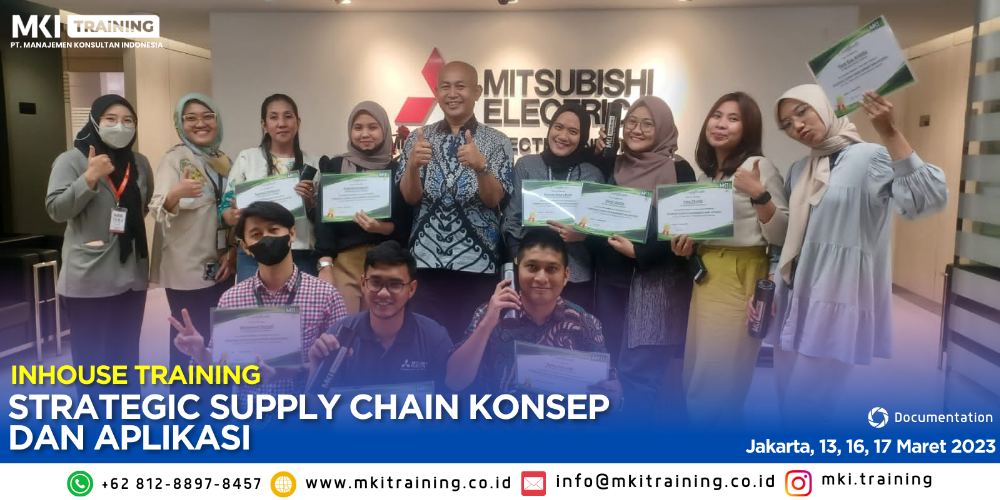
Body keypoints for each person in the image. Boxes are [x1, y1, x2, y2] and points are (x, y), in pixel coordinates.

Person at [759, 85, 947, 426]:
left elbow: (927, 200)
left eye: (802, 112)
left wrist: (890, 131)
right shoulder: (800, 169)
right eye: (786, 124)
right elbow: (787, 236)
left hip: (837, 298)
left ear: (826, 107)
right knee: (787, 402)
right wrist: (773, 277)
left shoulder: (871, 157)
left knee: (808, 408)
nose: (797, 126)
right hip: (792, 298)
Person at [668, 92, 789, 427]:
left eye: (733, 119)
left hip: (740, 273)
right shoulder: (708, 175)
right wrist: (688, 246)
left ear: (748, 129)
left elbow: (783, 233)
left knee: (718, 382)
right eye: (717, 115)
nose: (721, 124)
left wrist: (759, 193)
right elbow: (706, 233)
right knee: (696, 371)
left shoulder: (758, 167)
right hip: (707, 275)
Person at [171, 201, 348, 403]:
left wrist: (293, 371)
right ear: (245, 247)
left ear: (292, 233)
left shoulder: (326, 296)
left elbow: (341, 365)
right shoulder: (232, 299)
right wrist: (200, 352)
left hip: (305, 414)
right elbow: (219, 371)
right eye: (256, 234)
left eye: (273, 230)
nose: (266, 238)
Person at [592, 96, 695, 420]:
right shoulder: (611, 164)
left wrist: (640, 252)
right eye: (631, 122)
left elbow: (683, 229)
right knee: (607, 373)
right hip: (610, 285)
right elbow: (593, 211)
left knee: (641, 379)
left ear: (662, 128)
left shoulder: (679, 169)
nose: (636, 129)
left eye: (647, 124)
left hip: (655, 289)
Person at [396, 61, 514, 342]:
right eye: (445, 87)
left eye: (460, 86)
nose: (452, 93)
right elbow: (410, 197)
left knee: (473, 343)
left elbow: (493, 200)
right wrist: (412, 166)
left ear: (477, 92)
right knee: (426, 343)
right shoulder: (418, 138)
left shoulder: (498, 141)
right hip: (424, 263)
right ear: (436, 93)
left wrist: (481, 167)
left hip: (478, 265)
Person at [45, 94, 153, 397]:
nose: (120, 126)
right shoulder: (71, 160)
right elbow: (56, 210)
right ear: (95, 121)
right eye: (111, 119)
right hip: (89, 276)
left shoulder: (139, 163)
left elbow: (142, 206)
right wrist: (89, 178)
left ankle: (128, 418)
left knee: (126, 358)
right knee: (93, 365)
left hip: (131, 275)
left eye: (128, 121)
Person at [445, 228, 622, 409]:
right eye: (532, 267)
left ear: (566, 276)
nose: (541, 278)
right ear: (517, 271)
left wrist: (614, 393)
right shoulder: (490, 313)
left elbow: (608, 388)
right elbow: (454, 381)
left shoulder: (584, 322)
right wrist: (487, 324)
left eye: (552, 269)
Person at [149, 94, 235, 392]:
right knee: (188, 341)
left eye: (208, 116)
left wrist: (232, 252)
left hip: (222, 265)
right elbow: (157, 208)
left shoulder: (224, 161)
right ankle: (186, 406)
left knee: (220, 340)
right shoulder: (174, 159)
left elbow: (232, 211)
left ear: (217, 120)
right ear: (180, 124)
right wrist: (177, 193)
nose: (201, 123)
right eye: (191, 118)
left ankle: (219, 401)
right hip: (186, 269)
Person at [501, 103, 605, 311]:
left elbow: (603, 233)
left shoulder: (592, 175)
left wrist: (583, 235)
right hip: (531, 274)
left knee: (573, 329)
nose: (563, 136)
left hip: (575, 275)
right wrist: (519, 259)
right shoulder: (526, 166)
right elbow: (511, 220)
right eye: (558, 127)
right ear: (550, 129)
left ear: (583, 137)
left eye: (573, 131)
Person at [308, 241, 452, 388]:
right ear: (363, 284)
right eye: (375, 282)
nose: (383, 293)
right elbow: (316, 401)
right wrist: (316, 370)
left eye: (395, 284)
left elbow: (451, 398)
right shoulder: (338, 337)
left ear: (411, 289)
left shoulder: (434, 337)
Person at [315, 101, 412, 315]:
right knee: (344, 328)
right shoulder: (336, 166)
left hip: (385, 265)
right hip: (344, 264)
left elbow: (406, 224)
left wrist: (380, 228)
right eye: (358, 127)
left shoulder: (397, 170)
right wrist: (325, 265)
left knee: (380, 330)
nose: (365, 134)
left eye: (373, 127)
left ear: (384, 130)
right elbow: (323, 221)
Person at [219, 94, 319, 282]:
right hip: (254, 252)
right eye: (274, 117)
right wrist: (233, 217)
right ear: (264, 124)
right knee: (253, 302)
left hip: (300, 252)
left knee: (302, 302)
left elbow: (321, 217)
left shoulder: (313, 163)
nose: (281, 123)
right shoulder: (247, 158)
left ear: (298, 122)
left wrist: (309, 202)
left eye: (288, 116)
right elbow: (225, 208)